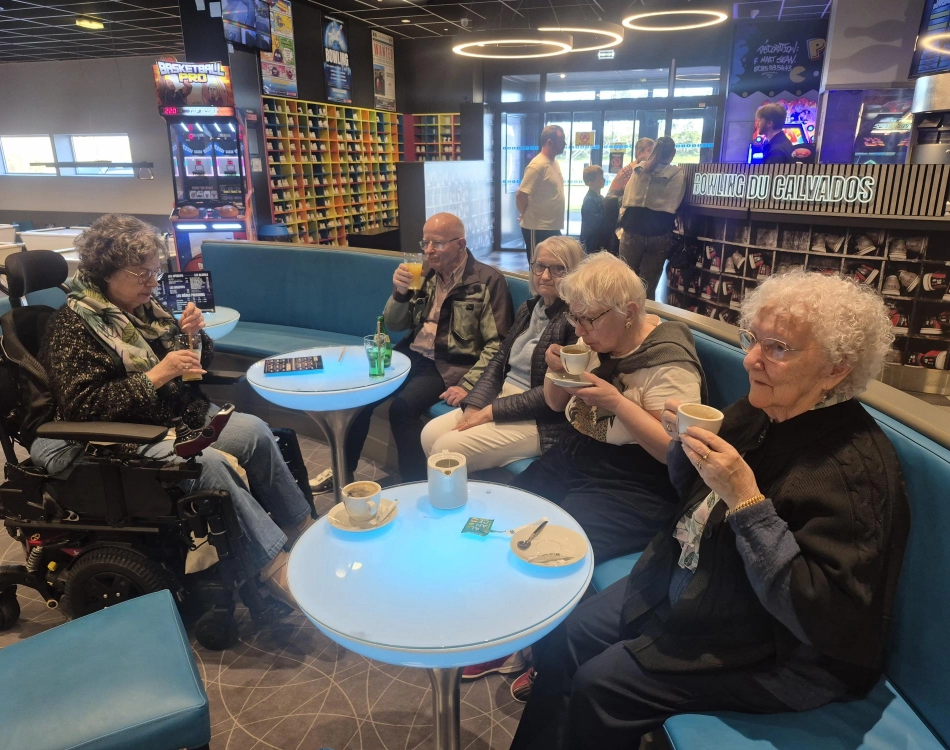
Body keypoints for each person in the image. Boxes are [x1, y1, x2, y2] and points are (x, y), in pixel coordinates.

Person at [510, 270, 910, 749]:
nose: (751, 360)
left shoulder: (854, 470)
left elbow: (821, 616)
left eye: (778, 348)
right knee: (568, 633)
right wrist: (684, 448)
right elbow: (693, 498)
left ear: (837, 368)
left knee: (602, 686)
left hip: (782, 654)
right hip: (696, 581)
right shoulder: (760, 409)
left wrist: (746, 500)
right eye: (752, 339)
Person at [30, 214, 313, 609]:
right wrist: (156, 376)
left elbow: (191, 367)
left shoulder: (144, 308)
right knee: (209, 465)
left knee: (255, 432)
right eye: (140, 273)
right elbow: (83, 406)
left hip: (172, 418)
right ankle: (274, 567)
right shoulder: (73, 326)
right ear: (106, 272)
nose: (151, 282)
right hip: (117, 437)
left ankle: (302, 527)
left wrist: (194, 337)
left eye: (154, 272)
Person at [513, 252, 706, 564]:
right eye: (574, 318)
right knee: (512, 515)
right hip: (575, 455)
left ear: (628, 312)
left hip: (632, 482)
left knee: (551, 551)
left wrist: (616, 402)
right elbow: (554, 402)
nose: (579, 331)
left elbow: (677, 451)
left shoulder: (667, 360)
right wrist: (556, 369)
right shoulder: (595, 342)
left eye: (587, 320)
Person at [345, 212, 513, 481]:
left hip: (448, 363)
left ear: (460, 244)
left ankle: (414, 485)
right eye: (425, 244)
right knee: (360, 396)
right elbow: (396, 324)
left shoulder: (486, 280)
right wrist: (399, 292)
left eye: (438, 243)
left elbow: (498, 343)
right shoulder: (422, 274)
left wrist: (470, 383)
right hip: (412, 352)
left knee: (402, 409)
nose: (429, 251)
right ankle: (345, 473)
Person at [421, 236, 585, 474]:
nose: (545, 276)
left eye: (558, 268)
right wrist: (475, 404)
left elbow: (557, 397)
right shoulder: (530, 308)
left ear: (575, 273)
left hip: (541, 420)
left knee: (447, 448)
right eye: (539, 266)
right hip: (502, 397)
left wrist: (491, 411)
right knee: (430, 435)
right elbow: (499, 362)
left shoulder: (576, 321)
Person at [619, 136, 686, 301]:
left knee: (625, 281)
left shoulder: (639, 169)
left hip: (633, 228)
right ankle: (644, 321)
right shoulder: (677, 174)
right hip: (659, 232)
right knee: (647, 286)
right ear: (673, 153)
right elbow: (675, 203)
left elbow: (627, 199)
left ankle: (622, 320)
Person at [518, 125, 566, 266]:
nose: (565, 144)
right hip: (537, 227)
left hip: (551, 226)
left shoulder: (553, 162)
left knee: (553, 265)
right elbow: (521, 194)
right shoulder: (537, 165)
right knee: (537, 267)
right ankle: (534, 289)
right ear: (550, 142)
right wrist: (524, 213)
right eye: (562, 140)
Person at [579, 166, 607, 254]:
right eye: (600, 179)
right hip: (591, 242)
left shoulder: (600, 197)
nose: (603, 180)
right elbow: (594, 222)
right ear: (590, 183)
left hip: (596, 240)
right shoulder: (589, 200)